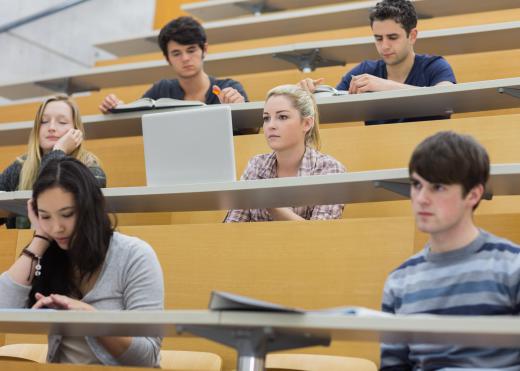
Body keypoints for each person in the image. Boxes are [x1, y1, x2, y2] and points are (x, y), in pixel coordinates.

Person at [0, 157, 164, 366]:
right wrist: (40, 237)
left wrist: (90, 319)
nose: (57, 227)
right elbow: (2, 309)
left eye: (66, 214)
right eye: (46, 216)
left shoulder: (134, 255)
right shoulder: (52, 253)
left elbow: (146, 357)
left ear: (91, 206)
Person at [380, 131, 520, 370]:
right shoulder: (399, 281)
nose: (422, 199)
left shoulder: (512, 267)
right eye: (416, 185)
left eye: (438, 188)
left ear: (473, 194)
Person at [299, 0, 456, 124]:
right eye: (378, 38)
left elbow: (445, 103)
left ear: (412, 36)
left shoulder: (435, 66)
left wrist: (384, 86)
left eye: (393, 37)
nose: (384, 46)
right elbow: (329, 107)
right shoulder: (364, 70)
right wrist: (307, 96)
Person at [224, 85, 345, 222]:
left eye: (282, 117)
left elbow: (319, 235)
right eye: (266, 118)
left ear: (306, 123)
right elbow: (233, 226)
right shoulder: (256, 165)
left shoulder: (330, 169)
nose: (271, 125)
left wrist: (268, 203)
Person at [99, 16, 248, 113]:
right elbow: (134, 116)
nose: (185, 58)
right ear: (167, 57)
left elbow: (252, 131)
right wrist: (114, 107)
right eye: (176, 53)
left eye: (191, 50)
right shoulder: (161, 90)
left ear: (205, 49)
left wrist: (240, 108)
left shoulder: (229, 88)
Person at [0, 95, 106, 228]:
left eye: (62, 122)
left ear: (76, 131)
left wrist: (59, 150)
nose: (51, 127)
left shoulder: (91, 169)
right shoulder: (20, 166)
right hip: (21, 246)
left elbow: (50, 195)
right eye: (44, 121)